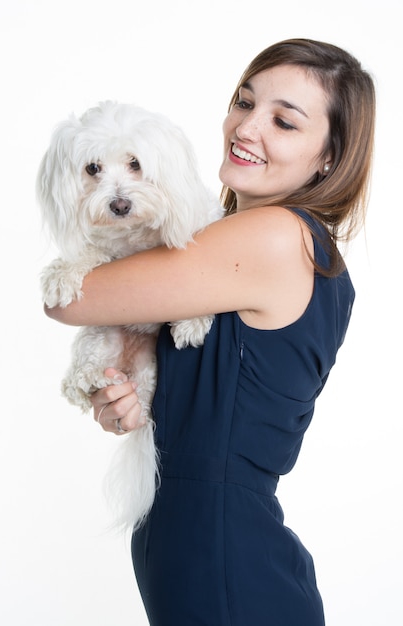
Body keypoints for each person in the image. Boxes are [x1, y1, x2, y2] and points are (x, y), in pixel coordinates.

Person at [45, 38, 375, 626]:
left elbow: (74, 299)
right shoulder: (266, 244)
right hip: (209, 551)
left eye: (284, 121)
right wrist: (132, 379)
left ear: (329, 156)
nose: (247, 128)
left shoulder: (274, 235)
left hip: (224, 558)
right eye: (244, 102)